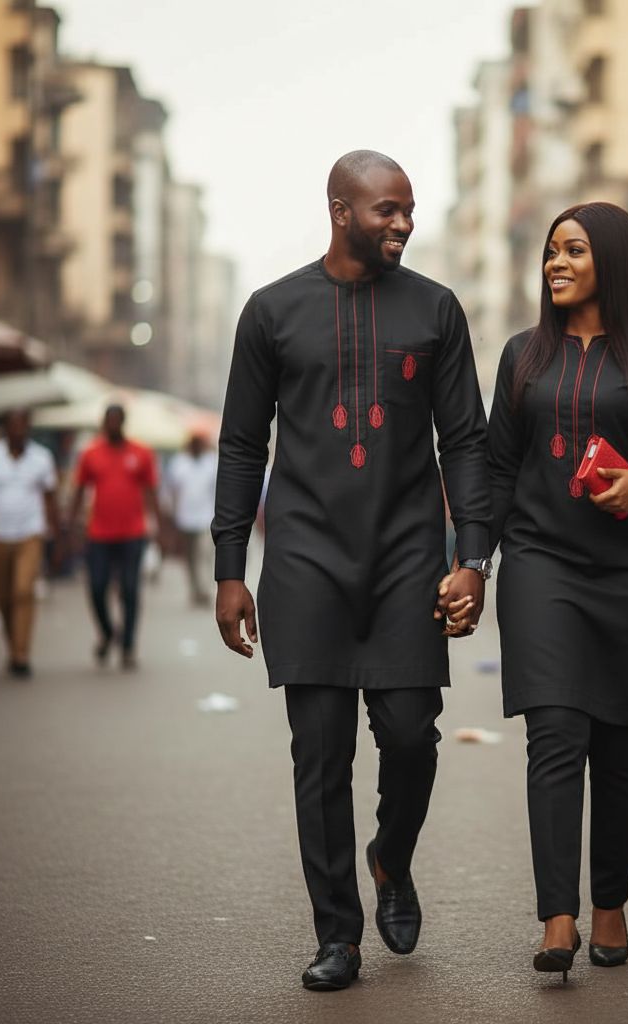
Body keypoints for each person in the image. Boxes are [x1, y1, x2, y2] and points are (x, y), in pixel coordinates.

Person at [212, 150, 490, 992]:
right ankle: (338, 935)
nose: (404, 223)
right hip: (305, 558)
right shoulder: (272, 312)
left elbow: (466, 441)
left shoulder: (437, 310)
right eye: (387, 211)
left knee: (411, 736)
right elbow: (240, 444)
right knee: (320, 758)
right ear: (341, 211)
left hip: (409, 555)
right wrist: (232, 566)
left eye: (409, 209)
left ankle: (391, 857)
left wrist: (474, 557)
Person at [479, 203, 628, 980]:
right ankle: (558, 916)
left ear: (611, 260)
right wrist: (472, 563)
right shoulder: (521, 355)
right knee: (554, 735)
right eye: (551, 251)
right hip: (540, 564)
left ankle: (610, 903)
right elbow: (498, 470)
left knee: (619, 746)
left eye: (573, 250)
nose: (555, 262)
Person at [67, 404, 162, 670]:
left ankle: (128, 645)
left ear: (123, 422)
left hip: (133, 533)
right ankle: (108, 632)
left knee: (130, 589)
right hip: (98, 534)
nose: (113, 425)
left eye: (117, 421)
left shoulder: (141, 453)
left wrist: (161, 528)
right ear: (103, 423)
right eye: (108, 421)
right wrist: (71, 527)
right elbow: (78, 491)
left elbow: (152, 491)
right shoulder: (91, 454)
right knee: (97, 587)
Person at [0, 409, 59, 677]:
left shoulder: (42, 458)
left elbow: (50, 499)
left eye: (23, 426)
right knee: (4, 596)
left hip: (30, 534)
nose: (18, 431)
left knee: (23, 591)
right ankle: (13, 646)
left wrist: (57, 535)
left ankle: (22, 654)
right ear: (5, 429)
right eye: (13, 426)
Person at [164, 433, 217, 606]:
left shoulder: (211, 463)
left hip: (205, 518)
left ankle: (204, 590)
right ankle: (194, 590)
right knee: (189, 558)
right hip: (184, 519)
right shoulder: (179, 464)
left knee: (204, 555)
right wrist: (171, 516)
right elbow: (171, 491)